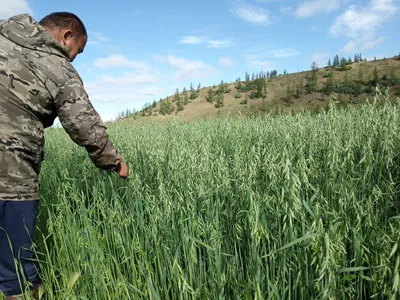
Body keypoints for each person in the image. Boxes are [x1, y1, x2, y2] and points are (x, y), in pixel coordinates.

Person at [0, 12, 129, 299]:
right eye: (77, 51)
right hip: (11, 169)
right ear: (66, 36)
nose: (73, 58)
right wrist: (114, 161)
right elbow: (83, 124)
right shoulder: (57, 66)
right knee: (16, 264)